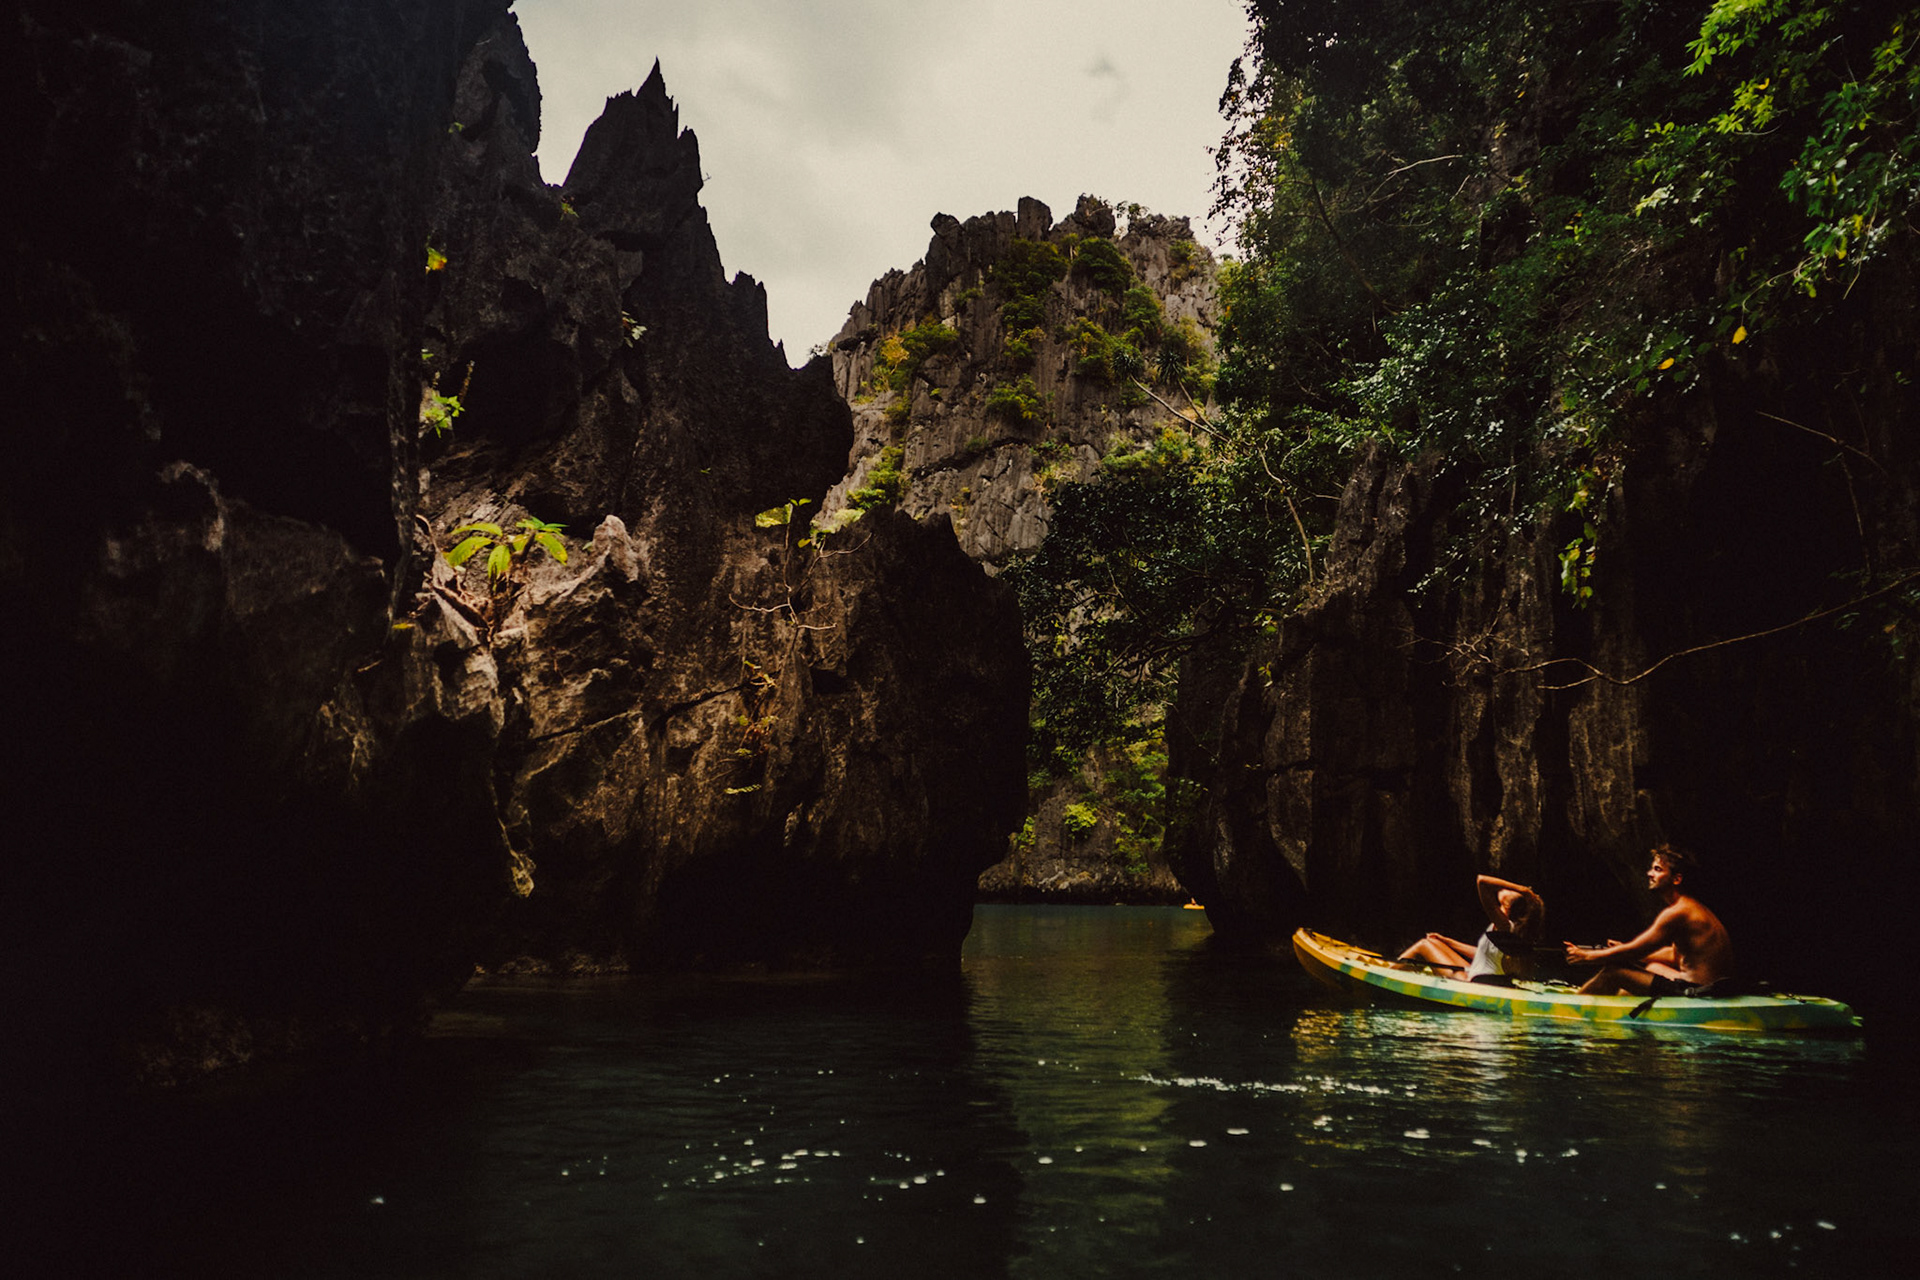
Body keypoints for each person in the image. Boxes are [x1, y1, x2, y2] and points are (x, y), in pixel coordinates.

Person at [1563, 844, 1735, 996]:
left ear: (1676, 879)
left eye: (1657, 870)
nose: (1649, 874)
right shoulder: (1689, 906)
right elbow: (1676, 956)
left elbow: (1635, 951)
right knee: (1652, 967)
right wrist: (1623, 949)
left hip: (1699, 991)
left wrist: (1587, 955)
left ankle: (1573, 1008)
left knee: (1614, 972)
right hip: (1711, 985)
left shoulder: (1678, 912)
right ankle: (1617, 1008)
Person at [1398, 875, 1545, 981]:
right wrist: (1447, 941)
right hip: (1478, 974)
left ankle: (1386, 975)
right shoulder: (1508, 929)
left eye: (1510, 890)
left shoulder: (1505, 926)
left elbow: (1482, 881)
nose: (1505, 888)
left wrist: (1522, 890)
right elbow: (1481, 954)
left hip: (1475, 981)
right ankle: (1402, 971)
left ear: (1508, 906)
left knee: (1424, 945)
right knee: (1435, 943)